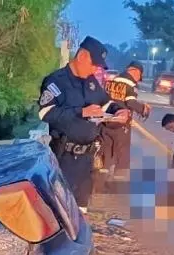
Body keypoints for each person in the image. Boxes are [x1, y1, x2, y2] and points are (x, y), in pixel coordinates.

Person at [38, 36, 130, 213]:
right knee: (61, 211)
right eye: (94, 64)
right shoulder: (56, 81)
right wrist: (81, 112)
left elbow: (106, 103)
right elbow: (45, 113)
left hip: (87, 160)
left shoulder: (91, 82)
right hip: (64, 157)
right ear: (81, 56)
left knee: (81, 211)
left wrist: (118, 110)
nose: (96, 69)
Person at [101, 62, 153, 180]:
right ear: (135, 72)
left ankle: (101, 179)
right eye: (139, 76)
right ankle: (119, 180)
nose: (138, 80)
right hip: (121, 123)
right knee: (122, 151)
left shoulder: (111, 81)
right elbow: (130, 102)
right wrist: (143, 109)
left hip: (105, 121)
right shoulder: (130, 85)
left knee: (106, 149)